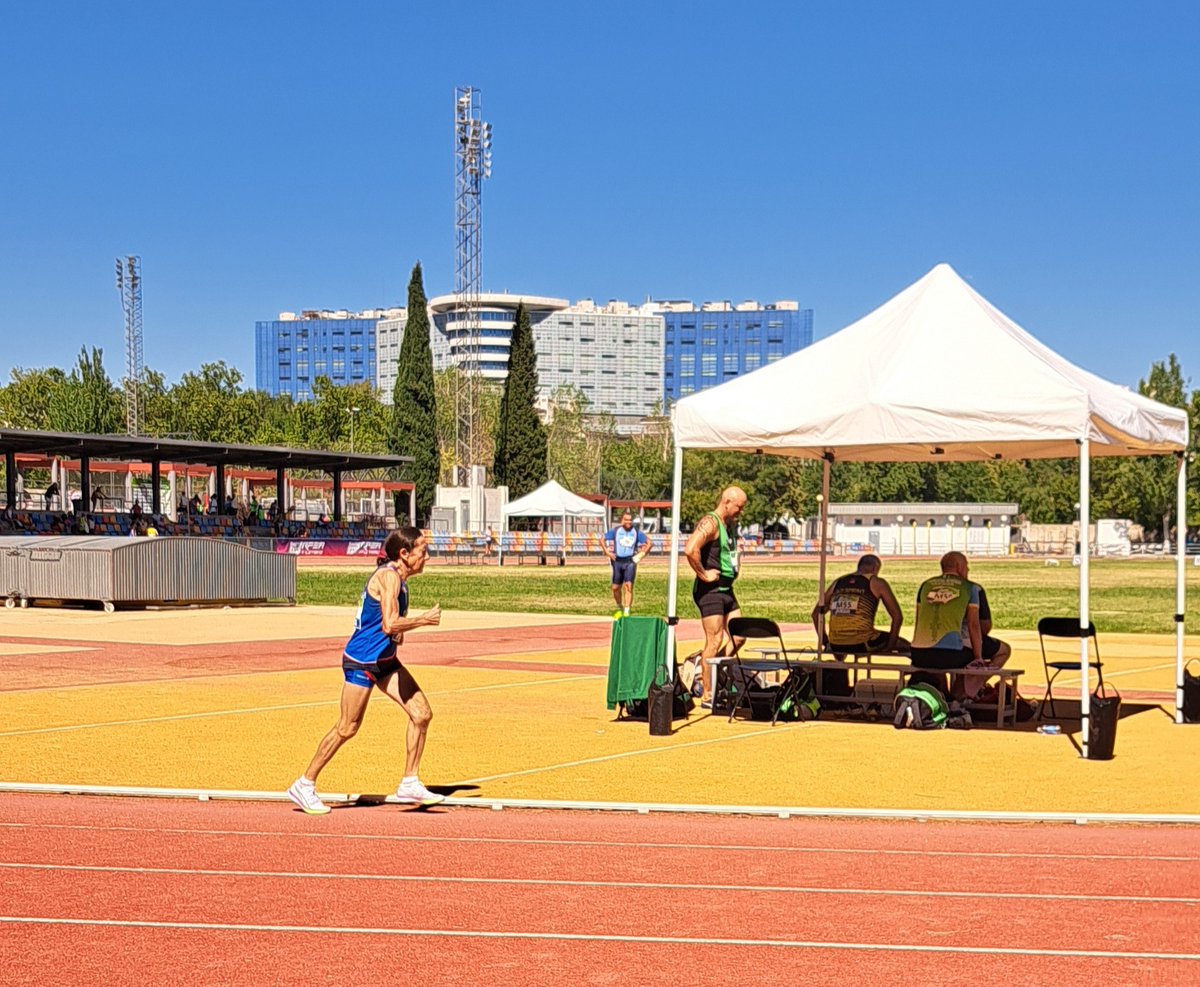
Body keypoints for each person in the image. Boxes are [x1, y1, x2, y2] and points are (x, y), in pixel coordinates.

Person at [287, 527, 444, 814]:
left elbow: (386, 628)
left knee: (421, 714)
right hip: (361, 661)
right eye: (423, 551)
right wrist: (423, 620)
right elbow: (388, 623)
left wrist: (398, 636)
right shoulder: (388, 577)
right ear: (404, 554)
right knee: (347, 728)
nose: (427, 557)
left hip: (384, 661)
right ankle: (304, 783)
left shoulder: (400, 580)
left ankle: (410, 781)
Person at [684, 485, 748, 706]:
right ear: (727, 502)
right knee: (715, 639)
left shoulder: (728, 526)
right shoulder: (710, 523)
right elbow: (690, 549)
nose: (741, 512)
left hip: (727, 590)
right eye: (739, 507)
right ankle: (708, 693)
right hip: (710, 591)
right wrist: (703, 574)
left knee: (739, 635)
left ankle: (711, 666)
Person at [811, 553, 907, 697]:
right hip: (863, 642)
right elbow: (897, 617)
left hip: (836, 644)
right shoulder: (876, 582)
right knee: (908, 647)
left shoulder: (838, 582)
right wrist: (891, 645)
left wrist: (826, 642)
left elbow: (816, 614)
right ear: (875, 568)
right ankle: (917, 685)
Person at [910, 551, 984, 700]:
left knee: (938, 657)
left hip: (918, 655)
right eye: (967, 566)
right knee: (967, 658)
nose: (968, 570)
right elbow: (973, 625)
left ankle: (944, 695)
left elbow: (918, 622)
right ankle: (958, 696)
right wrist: (978, 658)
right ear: (959, 566)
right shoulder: (970, 588)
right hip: (949, 655)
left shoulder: (925, 585)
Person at [603, 511, 652, 617]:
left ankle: (627, 611)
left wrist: (641, 554)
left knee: (628, 586)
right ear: (622, 520)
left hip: (630, 562)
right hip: (617, 561)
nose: (628, 522)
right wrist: (607, 552)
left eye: (630, 520)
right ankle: (619, 607)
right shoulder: (616, 531)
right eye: (626, 520)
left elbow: (650, 543)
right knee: (615, 588)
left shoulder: (636, 532)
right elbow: (601, 540)